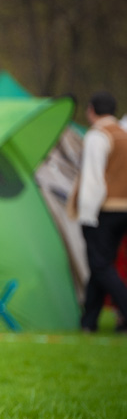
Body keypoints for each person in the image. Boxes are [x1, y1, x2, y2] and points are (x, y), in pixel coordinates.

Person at [72, 91, 127, 332]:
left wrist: (86, 215)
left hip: (102, 210)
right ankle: (89, 321)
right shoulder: (123, 135)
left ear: (92, 110)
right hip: (122, 209)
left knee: (101, 265)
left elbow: (93, 179)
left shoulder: (98, 136)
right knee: (101, 264)